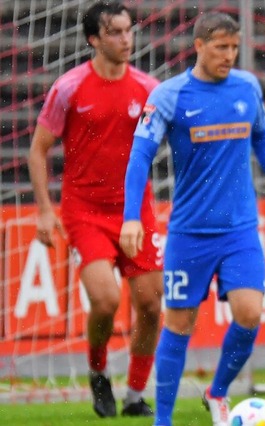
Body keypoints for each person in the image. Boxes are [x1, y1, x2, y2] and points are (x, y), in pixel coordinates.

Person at [119, 11, 265, 426]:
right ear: (198, 46)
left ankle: (217, 391)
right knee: (179, 324)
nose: (229, 56)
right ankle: (162, 419)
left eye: (234, 48)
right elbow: (140, 156)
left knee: (250, 312)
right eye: (221, 47)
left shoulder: (247, 87)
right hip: (189, 234)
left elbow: (263, 139)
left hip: (239, 230)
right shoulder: (170, 96)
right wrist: (132, 217)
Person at [27, 1, 163, 419]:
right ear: (94, 40)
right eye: (116, 33)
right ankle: (98, 371)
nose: (127, 40)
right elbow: (38, 150)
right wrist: (45, 211)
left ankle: (136, 394)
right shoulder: (69, 88)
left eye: (129, 31)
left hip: (135, 212)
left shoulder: (148, 88)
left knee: (153, 304)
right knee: (104, 300)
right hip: (84, 210)